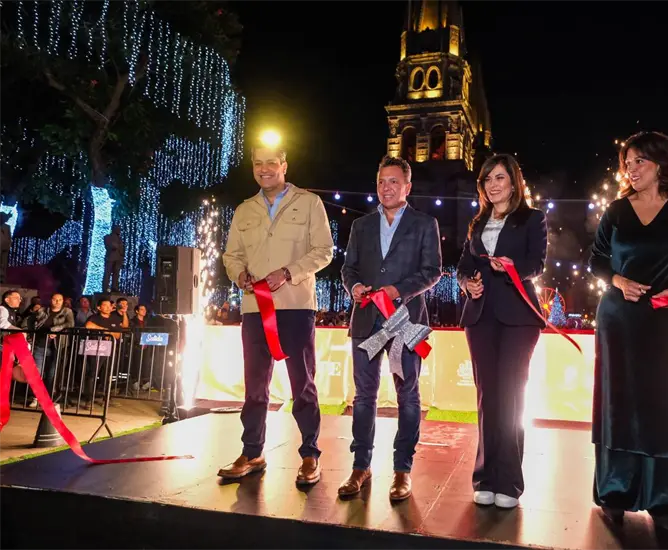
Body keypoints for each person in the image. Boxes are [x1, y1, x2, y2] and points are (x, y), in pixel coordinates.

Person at [588, 131, 668, 534]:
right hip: (620, 323)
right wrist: (619, 281)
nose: (630, 169)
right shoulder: (617, 210)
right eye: (627, 162)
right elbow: (597, 261)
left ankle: (666, 501)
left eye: (638, 161)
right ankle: (615, 494)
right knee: (620, 406)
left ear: (660, 163)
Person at [221, 141, 334, 484]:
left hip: (296, 307)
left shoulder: (310, 202)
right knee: (255, 387)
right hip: (255, 309)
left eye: (272, 162)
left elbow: (324, 251)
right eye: (258, 164)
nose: (264, 169)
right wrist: (237, 273)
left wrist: (289, 272)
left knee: (303, 385)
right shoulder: (244, 210)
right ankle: (252, 451)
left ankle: (310, 455)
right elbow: (231, 256)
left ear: (285, 165)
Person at [339, 155, 442, 501]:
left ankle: (402, 470)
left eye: (394, 181)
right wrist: (353, 288)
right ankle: (360, 466)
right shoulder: (361, 227)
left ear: (407, 187)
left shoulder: (425, 224)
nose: (387, 187)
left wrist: (398, 291)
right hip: (367, 321)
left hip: (406, 323)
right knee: (363, 397)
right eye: (382, 181)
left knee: (407, 397)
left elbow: (433, 272)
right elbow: (348, 269)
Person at [456, 154, 547, 510]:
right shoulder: (477, 223)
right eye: (487, 180)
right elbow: (464, 265)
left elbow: (536, 263)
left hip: (519, 318)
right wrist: (468, 284)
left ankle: (509, 480)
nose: (493, 185)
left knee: (510, 398)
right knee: (487, 398)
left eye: (499, 178)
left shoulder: (531, 218)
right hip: (479, 318)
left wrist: (509, 268)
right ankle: (485, 477)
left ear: (513, 182)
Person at [103, 226, 124, 292]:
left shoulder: (120, 238)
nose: (119, 231)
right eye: (118, 229)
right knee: (107, 273)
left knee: (116, 274)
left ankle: (115, 287)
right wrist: (116, 246)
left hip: (118, 258)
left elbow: (122, 248)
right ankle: (105, 287)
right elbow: (110, 246)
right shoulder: (107, 237)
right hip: (110, 258)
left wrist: (122, 255)